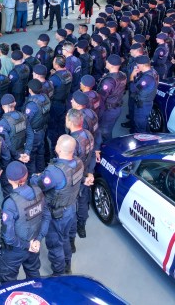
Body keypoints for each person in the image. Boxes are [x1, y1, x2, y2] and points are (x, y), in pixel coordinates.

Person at [30, 135, 83, 276]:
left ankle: (58, 273)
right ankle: (68, 265)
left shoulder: (54, 172)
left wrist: (35, 176)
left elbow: (39, 184)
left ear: (58, 148)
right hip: (71, 208)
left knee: (54, 245)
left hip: (57, 214)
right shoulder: (78, 163)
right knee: (64, 238)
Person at [0, 161, 49, 284]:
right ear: (26, 175)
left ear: (9, 180)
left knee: (7, 279)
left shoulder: (11, 203)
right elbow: (46, 216)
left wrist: (27, 245)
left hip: (15, 250)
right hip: (34, 243)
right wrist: (37, 240)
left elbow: (8, 238)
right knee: (33, 274)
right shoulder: (38, 191)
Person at [65, 109, 95, 243]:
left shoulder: (72, 142)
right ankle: (81, 227)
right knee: (83, 202)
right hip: (86, 173)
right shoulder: (88, 134)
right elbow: (93, 154)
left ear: (70, 122)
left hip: (75, 179)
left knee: (70, 208)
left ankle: (71, 240)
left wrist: (83, 178)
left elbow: (70, 167)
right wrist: (90, 174)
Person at [0, 94, 31, 196]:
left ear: (2, 106)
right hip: (22, 152)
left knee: (8, 183)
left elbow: (7, 144)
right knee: (22, 176)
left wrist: (17, 156)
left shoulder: (3, 123)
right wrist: (27, 152)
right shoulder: (23, 116)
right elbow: (30, 135)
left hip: (9, 158)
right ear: (15, 104)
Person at [23, 79, 51, 174]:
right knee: (40, 153)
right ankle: (41, 172)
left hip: (33, 133)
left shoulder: (32, 105)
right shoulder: (45, 98)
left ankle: (33, 177)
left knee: (31, 156)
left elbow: (26, 121)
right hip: (42, 130)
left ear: (30, 90)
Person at [97, 55, 127, 142]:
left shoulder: (108, 81)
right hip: (117, 107)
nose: (106, 62)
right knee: (108, 130)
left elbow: (101, 98)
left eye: (107, 61)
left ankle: (107, 149)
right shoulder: (122, 75)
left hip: (108, 110)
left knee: (104, 132)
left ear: (112, 65)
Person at [129, 55, 159, 133]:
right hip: (147, 102)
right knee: (144, 125)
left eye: (137, 64)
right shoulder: (153, 71)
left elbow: (133, 89)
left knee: (140, 127)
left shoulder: (147, 78)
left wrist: (132, 77)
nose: (136, 66)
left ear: (142, 65)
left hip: (142, 105)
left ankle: (143, 144)